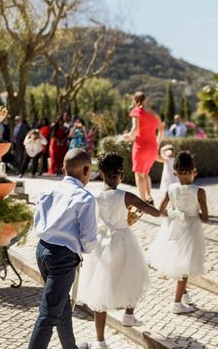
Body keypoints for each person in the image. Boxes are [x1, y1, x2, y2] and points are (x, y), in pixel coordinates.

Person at [78, 152, 160, 349]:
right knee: (132, 275)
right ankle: (129, 315)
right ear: (121, 175)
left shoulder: (93, 195)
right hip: (123, 241)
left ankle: (100, 341)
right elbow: (154, 213)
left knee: (101, 289)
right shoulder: (126, 195)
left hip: (100, 243)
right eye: (118, 174)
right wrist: (156, 206)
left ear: (101, 174)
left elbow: (85, 219)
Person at [28, 148, 97, 349]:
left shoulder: (47, 189)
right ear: (85, 170)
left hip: (42, 250)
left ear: (63, 168)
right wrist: (83, 250)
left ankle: (70, 347)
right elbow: (89, 238)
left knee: (62, 304)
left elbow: (38, 221)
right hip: (62, 258)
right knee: (48, 314)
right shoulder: (85, 197)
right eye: (90, 172)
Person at [147, 151, 208, 314]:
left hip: (173, 226)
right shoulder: (199, 191)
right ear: (194, 171)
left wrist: (174, 214)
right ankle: (176, 303)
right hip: (191, 229)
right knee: (185, 263)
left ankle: (184, 293)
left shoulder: (171, 188)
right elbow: (206, 217)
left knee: (177, 258)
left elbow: (160, 210)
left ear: (175, 173)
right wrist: (195, 214)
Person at [126, 92, 163, 203]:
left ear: (135, 100)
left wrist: (127, 136)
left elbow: (135, 129)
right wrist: (157, 144)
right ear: (146, 100)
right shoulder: (155, 114)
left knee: (139, 174)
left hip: (140, 146)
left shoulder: (136, 111)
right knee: (146, 173)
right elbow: (161, 131)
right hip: (152, 147)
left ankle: (142, 201)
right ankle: (149, 197)